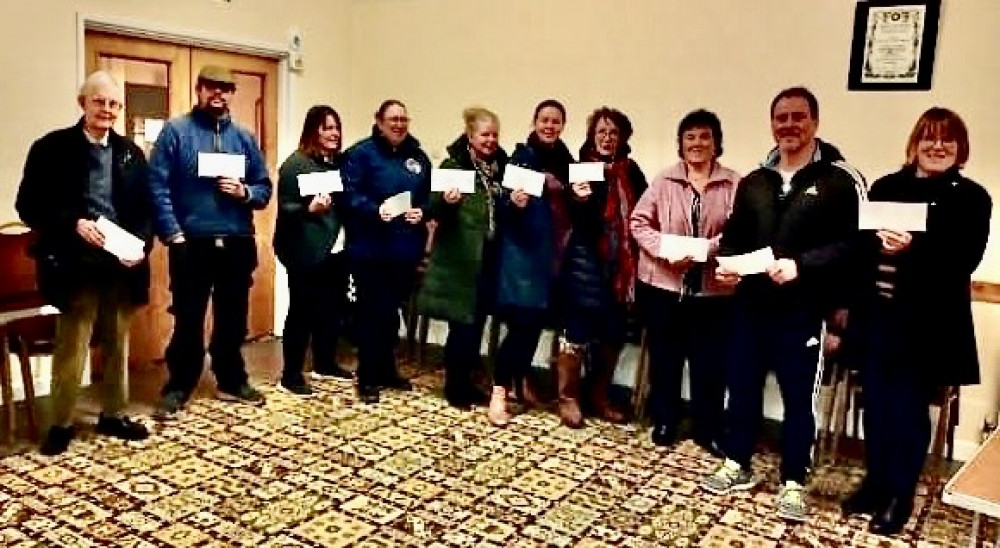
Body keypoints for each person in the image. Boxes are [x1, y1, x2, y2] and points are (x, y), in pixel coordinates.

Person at [699, 87, 866, 522]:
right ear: (771, 123)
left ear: (815, 121)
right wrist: (727, 267)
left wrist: (802, 266)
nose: (789, 125)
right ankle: (738, 463)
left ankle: (794, 481)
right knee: (743, 389)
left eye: (798, 117)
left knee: (798, 400)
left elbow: (854, 245)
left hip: (804, 312)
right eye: (781, 117)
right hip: (750, 309)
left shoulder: (840, 180)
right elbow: (736, 236)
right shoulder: (755, 180)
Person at [841, 108, 991, 535]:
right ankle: (875, 483)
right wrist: (879, 248)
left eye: (947, 139)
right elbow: (860, 246)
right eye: (929, 137)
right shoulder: (887, 186)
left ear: (961, 148)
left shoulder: (972, 197)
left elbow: (963, 259)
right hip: (877, 320)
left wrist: (912, 249)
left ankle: (900, 495)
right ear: (915, 143)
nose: (937, 146)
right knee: (876, 407)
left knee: (908, 413)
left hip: (926, 330)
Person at [16, 70, 152, 455]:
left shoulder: (131, 153)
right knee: (72, 346)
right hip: (74, 264)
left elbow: (145, 210)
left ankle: (114, 414)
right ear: (83, 104)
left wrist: (141, 245)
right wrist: (73, 223)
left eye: (113, 104)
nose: (106, 110)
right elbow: (27, 206)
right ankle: (60, 423)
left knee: (117, 343)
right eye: (99, 102)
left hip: (120, 266)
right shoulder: (50, 148)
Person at [148, 65, 273, 417]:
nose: (217, 94)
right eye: (210, 87)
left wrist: (245, 191)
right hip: (191, 242)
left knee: (233, 317)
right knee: (188, 317)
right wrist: (173, 232)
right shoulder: (176, 132)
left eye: (225, 88)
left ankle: (231, 380)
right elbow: (156, 185)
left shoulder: (245, 138)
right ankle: (179, 385)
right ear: (199, 89)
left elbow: (264, 188)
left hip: (236, 240)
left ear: (232, 93)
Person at [630, 109, 740, 452]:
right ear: (681, 143)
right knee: (666, 358)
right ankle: (665, 419)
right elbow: (638, 222)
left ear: (716, 142)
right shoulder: (663, 181)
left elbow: (741, 230)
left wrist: (708, 249)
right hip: (665, 286)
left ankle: (708, 426)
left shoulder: (735, 183)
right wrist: (663, 250)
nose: (697, 143)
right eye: (690, 137)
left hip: (714, 290)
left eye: (704, 136)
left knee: (710, 362)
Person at [560, 107, 647, 426]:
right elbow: (574, 217)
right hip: (585, 263)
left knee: (614, 332)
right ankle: (568, 397)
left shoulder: (632, 171)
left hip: (621, 269)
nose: (608, 138)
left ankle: (598, 394)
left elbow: (643, 213)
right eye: (601, 132)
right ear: (591, 136)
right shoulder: (581, 168)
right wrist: (578, 200)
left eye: (613, 132)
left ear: (622, 136)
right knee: (578, 330)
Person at [417, 107, 508, 412]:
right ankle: (455, 388)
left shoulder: (499, 167)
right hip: (460, 261)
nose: (491, 140)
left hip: (488, 261)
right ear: (470, 136)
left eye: (495, 134)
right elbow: (431, 209)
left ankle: (468, 382)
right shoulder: (453, 166)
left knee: (476, 326)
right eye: (485, 134)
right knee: (462, 329)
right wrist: (445, 201)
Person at [341, 99, 431, 404]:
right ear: (379, 121)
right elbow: (349, 196)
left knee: (392, 315)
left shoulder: (418, 157)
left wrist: (422, 211)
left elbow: (428, 197)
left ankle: (387, 370)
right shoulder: (360, 154)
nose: (399, 124)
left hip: (404, 250)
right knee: (370, 315)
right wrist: (374, 210)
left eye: (404, 119)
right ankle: (367, 377)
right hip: (370, 249)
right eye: (392, 119)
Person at [494, 99, 574, 426]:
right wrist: (512, 201)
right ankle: (499, 391)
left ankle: (519, 381)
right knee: (522, 325)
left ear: (562, 126)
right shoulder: (521, 158)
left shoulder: (569, 161)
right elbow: (503, 207)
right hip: (523, 257)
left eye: (556, 121)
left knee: (534, 326)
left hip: (553, 258)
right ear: (534, 121)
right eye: (544, 120)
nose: (550, 126)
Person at [273, 105, 353, 397]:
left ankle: (325, 363)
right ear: (313, 130)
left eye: (336, 128)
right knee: (301, 313)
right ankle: (290, 375)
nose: (333, 133)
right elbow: (285, 208)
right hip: (305, 250)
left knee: (331, 310)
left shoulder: (338, 164)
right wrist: (309, 209)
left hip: (337, 249)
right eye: (326, 127)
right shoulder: (296, 164)